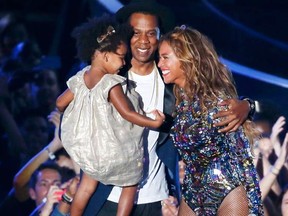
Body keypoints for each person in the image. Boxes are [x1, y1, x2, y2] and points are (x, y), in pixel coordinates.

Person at [84, 1, 254, 216]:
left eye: (151, 33)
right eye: (135, 33)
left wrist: (248, 105)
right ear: (125, 35)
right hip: (107, 196)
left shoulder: (172, 80)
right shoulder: (107, 77)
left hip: (157, 200)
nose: (143, 41)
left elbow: (212, 98)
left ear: (159, 36)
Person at [56, 14, 165, 216]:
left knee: (86, 187)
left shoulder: (81, 78)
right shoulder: (110, 83)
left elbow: (59, 103)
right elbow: (128, 113)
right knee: (131, 184)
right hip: (114, 150)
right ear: (106, 56)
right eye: (121, 57)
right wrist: (153, 121)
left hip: (91, 150)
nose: (124, 63)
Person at [157, 25, 263, 215]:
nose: (160, 64)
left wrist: (249, 105)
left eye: (165, 57)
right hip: (193, 192)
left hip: (228, 190)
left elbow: (239, 153)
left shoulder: (217, 100)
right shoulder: (182, 99)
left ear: (186, 58)